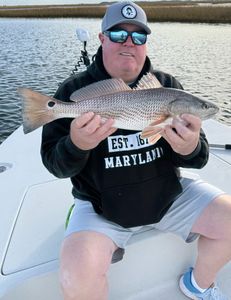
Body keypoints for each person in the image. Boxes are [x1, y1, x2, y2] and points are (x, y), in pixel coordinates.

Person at [41, 1, 231, 299]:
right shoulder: (72, 91)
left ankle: (199, 285)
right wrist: (77, 145)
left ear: (145, 43)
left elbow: (199, 157)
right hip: (100, 206)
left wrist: (191, 147)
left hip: (168, 197)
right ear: (102, 38)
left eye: (139, 36)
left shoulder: (168, 86)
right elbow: (55, 164)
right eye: (118, 34)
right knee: (76, 278)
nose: (129, 43)